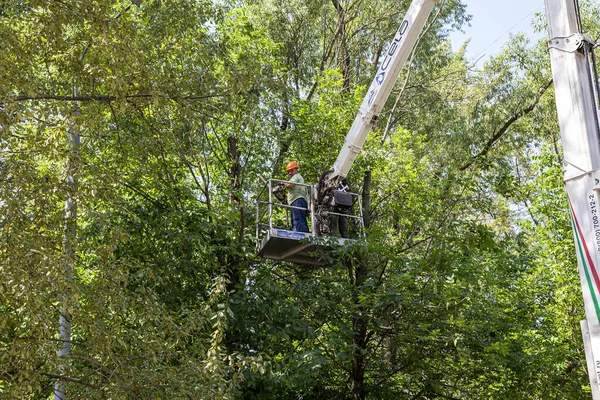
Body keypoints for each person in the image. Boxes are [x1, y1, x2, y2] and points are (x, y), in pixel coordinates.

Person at [284, 161, 309, 233]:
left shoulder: (296, 176)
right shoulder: (296, 177)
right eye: (288, 172)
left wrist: (282, 183)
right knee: (296, 220)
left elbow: (290, 185)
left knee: (298, 220)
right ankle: (297, 233)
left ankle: (301, 235)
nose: (290, 173)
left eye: (291, 171)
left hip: (298, 201)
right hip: (296, 201)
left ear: (296, 170)